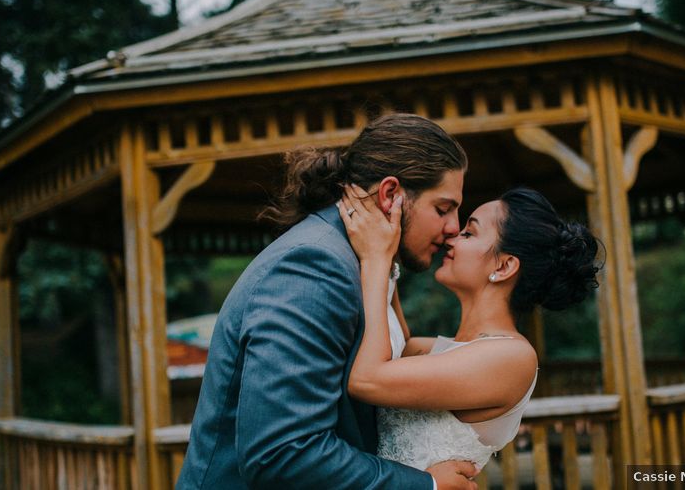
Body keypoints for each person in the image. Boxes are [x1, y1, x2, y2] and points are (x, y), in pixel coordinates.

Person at [176, 114, 479, 489]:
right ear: (390, 194)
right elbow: (282, 451)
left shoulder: (370, 263)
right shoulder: (314, 266)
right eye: (443, 208)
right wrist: (424, 486)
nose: (454, 228)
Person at [337, 184, 602, 470]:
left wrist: (376, 258)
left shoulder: (511, 358)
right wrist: (389, 252)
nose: (452, 237)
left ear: (503, 267)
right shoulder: (447, 349)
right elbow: (399, 341)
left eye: (469, 233)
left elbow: (366, 379)